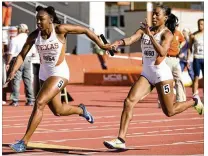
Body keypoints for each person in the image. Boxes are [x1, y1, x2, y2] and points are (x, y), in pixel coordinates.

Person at [6, 5, 111, 153]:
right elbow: (22, 55)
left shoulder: (60, 30)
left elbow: (85, 30)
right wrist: (13, 71)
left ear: (50, 20)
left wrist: (101, 44)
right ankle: (81, 110)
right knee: (58, 110)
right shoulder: (34, 36)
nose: (38, 22)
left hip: (60, 72)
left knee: (40, 102)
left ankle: (24, 142)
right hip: (44, 74)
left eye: (41, 19)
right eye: (37, 19)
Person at [103, 5, 204, 149]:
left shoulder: (167, 34)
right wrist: (117, 43)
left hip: (162, 76)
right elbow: (131, 39)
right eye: (153, 15)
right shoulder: (144, 30)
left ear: (165, 18)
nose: (154, 17)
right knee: (129, 101)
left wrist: (150, 37)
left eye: (157, 15)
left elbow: (162, 52)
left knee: (169, 111)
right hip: (147, 74)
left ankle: (194, 101)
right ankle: (121, 139)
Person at [6, 24, 35, 106]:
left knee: (16, 80)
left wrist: (8, 63)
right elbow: (33, 53)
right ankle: (30, 100)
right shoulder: (30, 39)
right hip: (28, 59)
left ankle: (15, 100)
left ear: (19, 30)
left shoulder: (14, 39)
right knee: (28, 80)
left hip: (17, 59)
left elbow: (11, 53)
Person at [165, 21, 186, 102]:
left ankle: (180, 99)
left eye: (177, 25)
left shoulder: (178, 33)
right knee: (165, 81)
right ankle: (163, 100)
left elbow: (183, 40)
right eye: (175, 25)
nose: (176, 26)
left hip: (176, 59)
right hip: (166, 58)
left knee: (179, 79)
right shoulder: (165, 33)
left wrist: (180, 46)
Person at [187, 19, 204, 96]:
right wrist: (188, 59)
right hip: (197, 58)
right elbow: (189, 48)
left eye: (202, 24)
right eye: (199, 24)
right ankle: (195, 95)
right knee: (196, 77)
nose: (200, 26)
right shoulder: (194, 35)